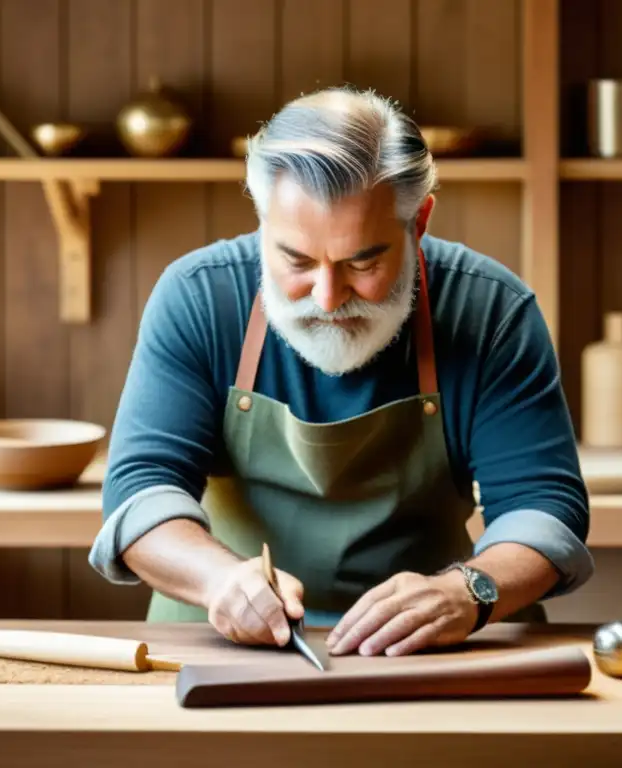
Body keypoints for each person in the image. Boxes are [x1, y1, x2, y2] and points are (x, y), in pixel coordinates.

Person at [88, 87, 593, 658]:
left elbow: (544, 507)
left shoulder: (490, 310)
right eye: (297, 261)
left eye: (363, 262)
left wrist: (467, 591)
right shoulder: (199, 297)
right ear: (262, 218)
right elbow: (140, 494)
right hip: (221, 645)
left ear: (418, 221)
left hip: (435, 650)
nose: (327, 299)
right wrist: (219, 580)